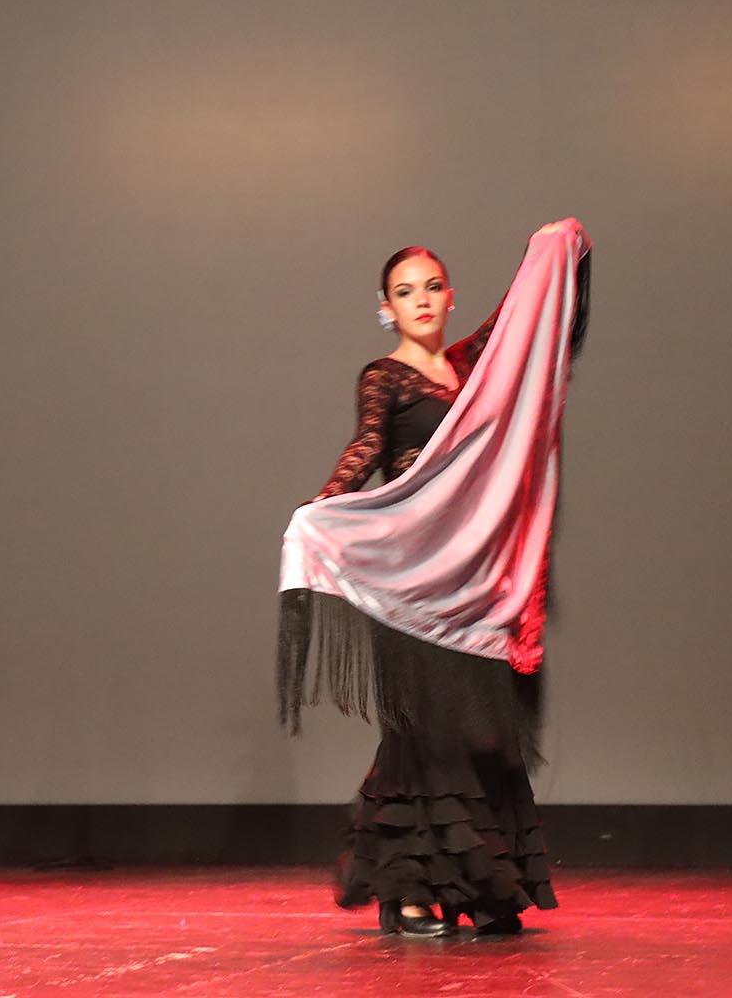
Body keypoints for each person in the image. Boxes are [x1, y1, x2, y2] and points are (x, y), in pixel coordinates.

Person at [288, 229, 588, 938]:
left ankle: (482, 889)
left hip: (472, 586)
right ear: (386, 307)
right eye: (404, 292)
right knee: (426, 735)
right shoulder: (384, 377)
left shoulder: (470, 367)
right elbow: (367, 446)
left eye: (431, 287)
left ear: (450, 297)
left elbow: (528, 319)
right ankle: (408, 893)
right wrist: (323, 507)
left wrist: (558, 251)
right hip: (410, 585)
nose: (420, 300)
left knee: (482, 734)